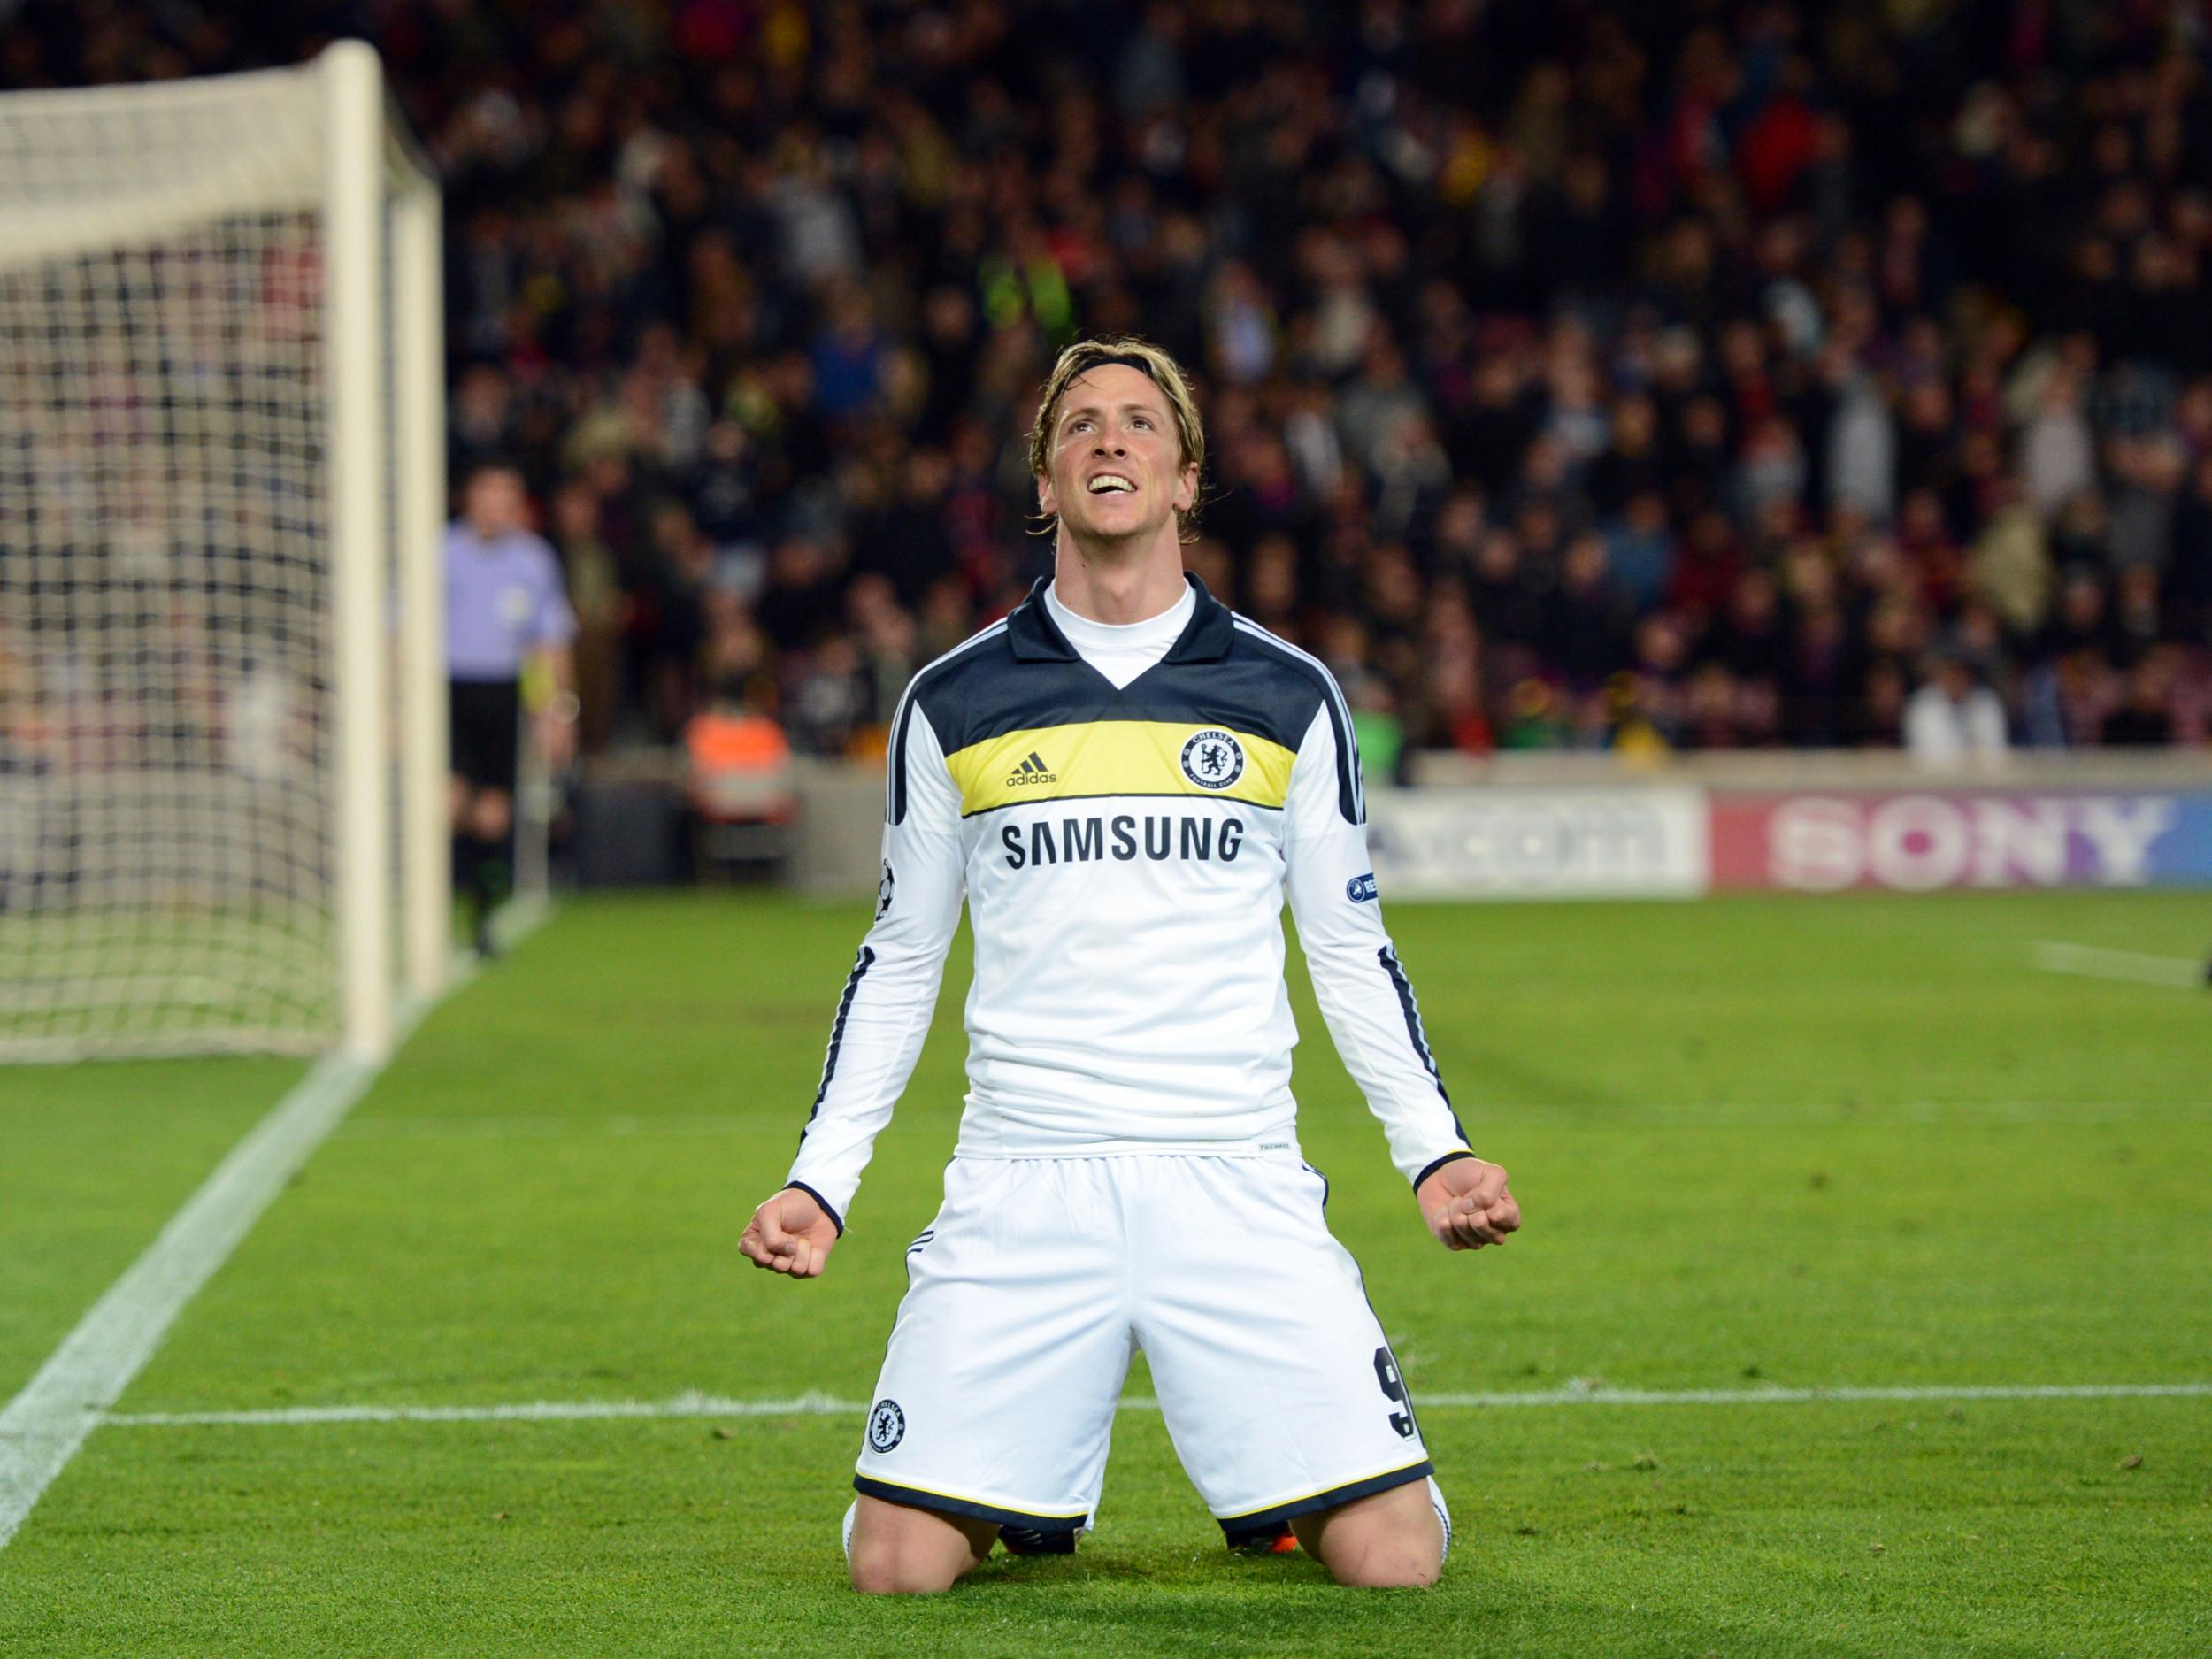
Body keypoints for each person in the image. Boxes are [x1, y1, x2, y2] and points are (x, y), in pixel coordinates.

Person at [741, 337, 1521, 1594]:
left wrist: (1435, 1150)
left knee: (1396, 1561)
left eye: (1141, 424)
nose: (1112, 439)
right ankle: (1024, 1493)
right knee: (895, 1566)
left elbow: (1348, 943)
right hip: (1023, 1175)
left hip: (1234, 1170)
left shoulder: (1287, 692)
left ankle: (1292, 1480)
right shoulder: (954, 697)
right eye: (1081, 426)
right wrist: (819, 1182)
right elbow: (898, 959)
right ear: (1044, 485)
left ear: (1185, 479)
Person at [443, 460, 578, 954]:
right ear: (469, 499)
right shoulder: (442, 552)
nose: (495, 507)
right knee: (450, 800)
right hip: (447, 688)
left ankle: (482, 918)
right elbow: (402, 629)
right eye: (486, 495)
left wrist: (558, 712)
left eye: (505, 497)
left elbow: (550, 643)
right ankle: (434, 907)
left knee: (493, 813)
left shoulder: (532, 560)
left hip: (503, 691)